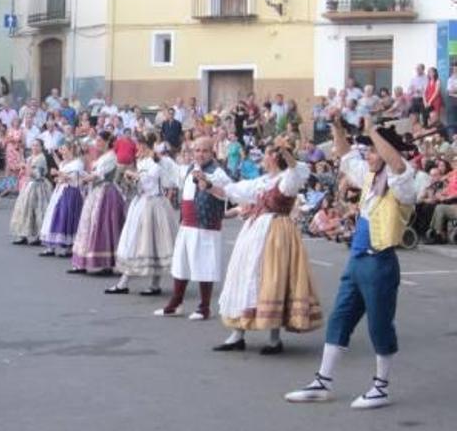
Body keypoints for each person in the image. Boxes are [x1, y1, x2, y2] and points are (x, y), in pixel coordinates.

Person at [285, 116, 416, 410]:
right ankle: (323, 381)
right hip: (357, 261)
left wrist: (372, 130)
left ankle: (381, 387)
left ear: (385, 152)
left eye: (372, 151)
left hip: (380, 262)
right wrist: (336, 126)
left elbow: (397, 167)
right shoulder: (371, 177)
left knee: (380, 326)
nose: (367, 155)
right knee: (339, 319)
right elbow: (345, 155)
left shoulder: (402, 182)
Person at [209, 137, 322, 354]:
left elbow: (296, 170)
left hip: (276, 231)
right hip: (253, 232)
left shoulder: (287, 179)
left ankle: (274, 338)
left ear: (275, 157)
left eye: (268, 153)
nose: (263, 157)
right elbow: (232, 191)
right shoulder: (261, 181)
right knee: (243, 277)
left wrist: (285, 151)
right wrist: (207, 186)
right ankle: (237, 334)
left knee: (272, 279)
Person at [156, 136, 233, 320]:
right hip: (188, 224)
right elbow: (175, 174)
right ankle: (176, 303)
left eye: (204, 150)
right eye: (197, 150)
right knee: (181, 263)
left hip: (205, 225)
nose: (200, 154)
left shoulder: (217, 172)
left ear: (212, 152)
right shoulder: (190, 168)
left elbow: (227, 192)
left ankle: (204, 307)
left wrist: (208, 184)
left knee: (204, 264)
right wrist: (160, 158)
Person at [106, 133, 179, 296]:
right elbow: (140, 184)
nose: (137, 148)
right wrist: (130, 179)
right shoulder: (141, 161)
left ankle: (153, 284)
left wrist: (133, 176)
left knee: (153, 243)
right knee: (134, 241)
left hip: (154, 203)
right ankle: (123, 282)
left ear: (146, 145)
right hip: (141, 203)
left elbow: (149, 181)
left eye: (140, 144)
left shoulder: (157, 161)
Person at [69, 131, 126, 275]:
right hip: (96, 192)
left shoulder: (111, 157)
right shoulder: (103, 157)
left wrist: (85, 178)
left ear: (107, 142)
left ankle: (105, 263)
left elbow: (98, 175)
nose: (97, 143)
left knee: (103, 225)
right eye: (97, 141)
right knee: (88, 224)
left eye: (100, 141)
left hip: (106, 193)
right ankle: (83, 262)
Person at [39, 141, 85, 258]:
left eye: (64, 149)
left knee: (66, 217)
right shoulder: (64, 162)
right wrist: (58, 177)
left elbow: (73, 178)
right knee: (53, 216)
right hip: (60, 191)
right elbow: (62, 172)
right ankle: (51, 246)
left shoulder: (77, 163)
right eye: (61, 150)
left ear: (71, 150)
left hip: (70, 192)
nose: (62, 152)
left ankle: (68, 247)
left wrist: (58, 173)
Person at [9, 140, 52, 244]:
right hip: (29, 184)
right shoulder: (31, 157)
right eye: (33, 145)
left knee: (38, 210)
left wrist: (26, 167)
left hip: (38, 186)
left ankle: (38, 236)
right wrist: (22, 167)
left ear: (41, 147)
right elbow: (24, 169)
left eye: (37, 145)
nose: (34, 147)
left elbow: (37, 175)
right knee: (24, 209)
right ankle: (23, 234)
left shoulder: (41, 158)